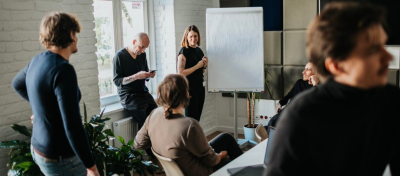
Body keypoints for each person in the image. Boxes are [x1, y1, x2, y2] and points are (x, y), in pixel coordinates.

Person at [266, 2, 399, 176]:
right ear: (336, 65)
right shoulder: (299, 118)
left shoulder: (392, 103)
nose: (388, 57)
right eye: (373, 50)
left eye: (383, 46)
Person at [12, 12, 99, 176]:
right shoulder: (63, 70)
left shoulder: (38, 60)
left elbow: (17, 84)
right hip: (60, 157)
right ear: (70, 35)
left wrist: (41, 110)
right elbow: (73, 126)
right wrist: (91, 167)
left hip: (38, 148)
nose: (77, 38)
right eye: (76, 33)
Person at [134, 74, 243, 176]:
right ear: (185, 94)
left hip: (177, 169)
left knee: (226, 138)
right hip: (202, 172)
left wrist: (162, 144)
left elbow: (138, 144)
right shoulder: (190, 125)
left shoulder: (154, 114)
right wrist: (221, 156)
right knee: (238, 164)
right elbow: (211, 161)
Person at [113, 32, 157, 130]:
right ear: (134, 41)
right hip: (129, 96)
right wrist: (136, 76)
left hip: (143, 93)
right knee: (145, 122)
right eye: (141, 47)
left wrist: (149, 75)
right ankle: (142, 145)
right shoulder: (119, 56)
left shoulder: (142, 55)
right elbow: (117, 81)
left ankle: (153, 144)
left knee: (158, 116)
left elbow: (145, 73)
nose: (142, 50)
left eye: (145, 48)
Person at [267, 63, 319, 132]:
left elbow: (317, 105)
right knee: (272, 123)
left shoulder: (320, 87)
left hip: (301, 117)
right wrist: (280, 103)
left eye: (308, 70)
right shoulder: (299, 83)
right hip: (288, 111)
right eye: (304, 69)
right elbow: (289, 95)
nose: (303, 72)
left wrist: (315, 85)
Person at [177, 25, 208, 121]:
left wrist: (204, 65)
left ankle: (195, 136)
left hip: (200, 88)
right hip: (189, 90)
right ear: (186, 37)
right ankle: (189, 136)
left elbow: (201, 71)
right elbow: (181, 73)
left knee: (197, 119)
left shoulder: (199, 51)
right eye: (191, 36)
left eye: (195, 36)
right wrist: (197, 66)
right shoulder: (184, 51)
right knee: (190, 119)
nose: (193, 39)